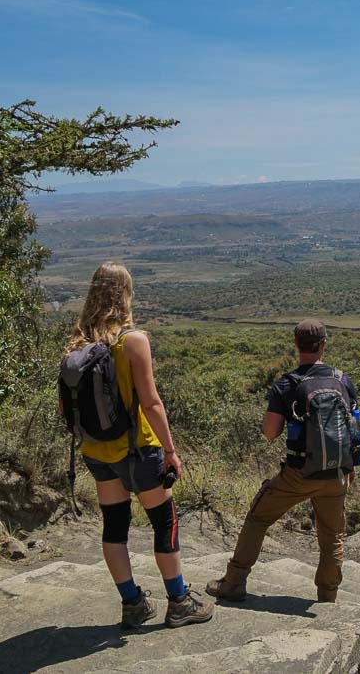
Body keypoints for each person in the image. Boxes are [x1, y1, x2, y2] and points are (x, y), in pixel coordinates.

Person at [65, 262, 213, 629]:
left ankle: (132, 604)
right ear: (126, 295)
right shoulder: (132, 341)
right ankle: (178, 602)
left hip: (97, 452)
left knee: (114, 527)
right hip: (139, 450)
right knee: (164, 524)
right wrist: (171, 450)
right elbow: (151, 403)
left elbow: (66, 408)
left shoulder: (77, 344)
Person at [207, 319, 360, 603]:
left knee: (258, 518)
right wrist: (350, 466)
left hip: (299, 475)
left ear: (296, 345)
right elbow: (353, 427)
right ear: (324, 344)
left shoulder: (287, 384)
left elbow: (270, 433)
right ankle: (328, 596)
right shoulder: (343, 381)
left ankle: (233, 583)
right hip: (337, 475)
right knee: (332, 536)